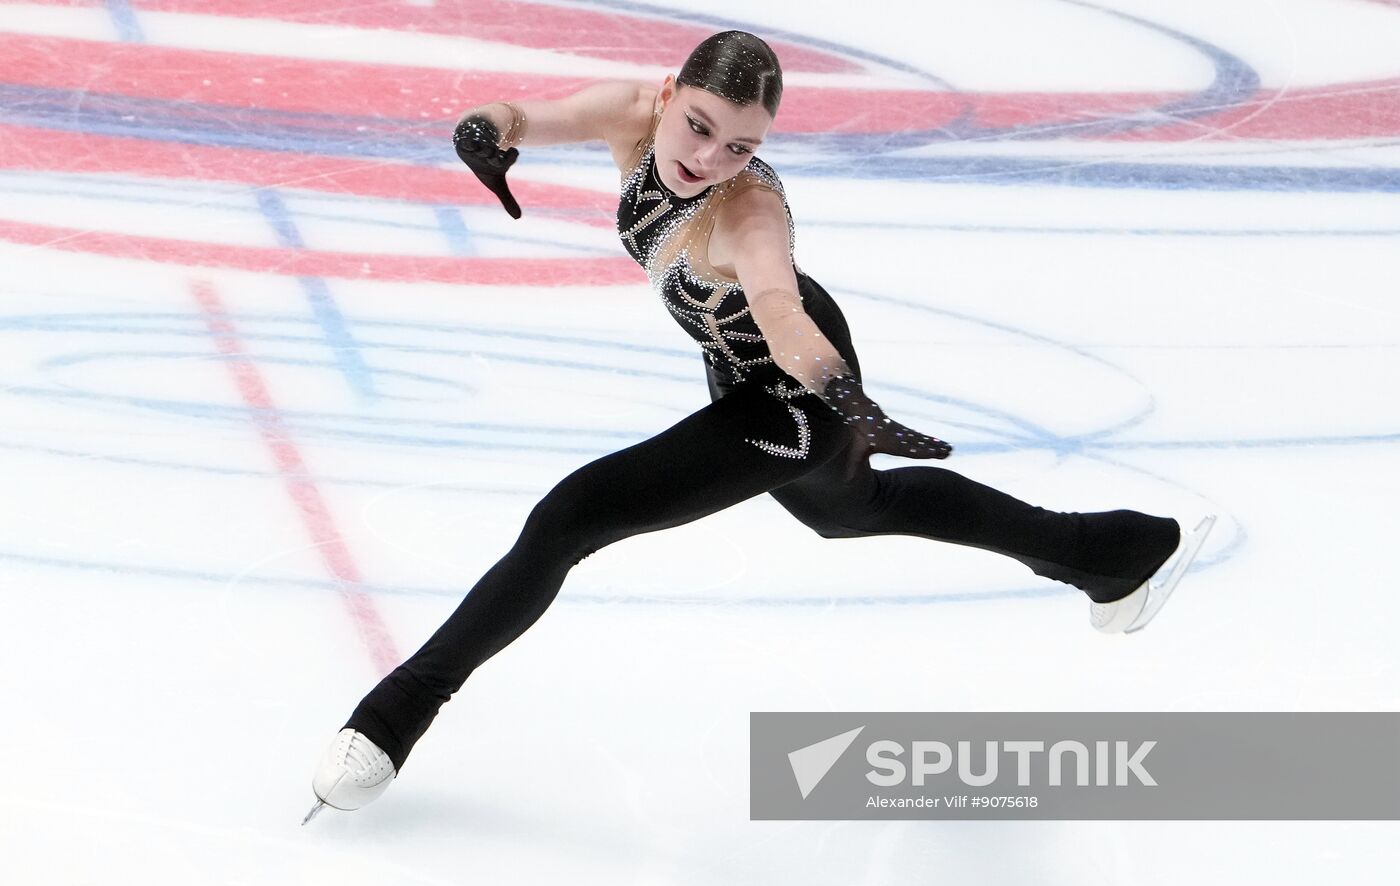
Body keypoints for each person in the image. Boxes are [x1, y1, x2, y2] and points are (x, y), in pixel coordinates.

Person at [302, 31, 1214, 825]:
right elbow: (527, 114)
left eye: (741, 146)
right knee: (848, 513)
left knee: (570, 517)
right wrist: (487, 131)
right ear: (665, 97)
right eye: (697, 126)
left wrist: (851, 407)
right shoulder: (629, 113)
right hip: (739, 373)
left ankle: (390, 718)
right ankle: (1114, 552)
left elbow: (777, 306)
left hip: (797, 387)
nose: (707, 157)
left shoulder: (749, 214)